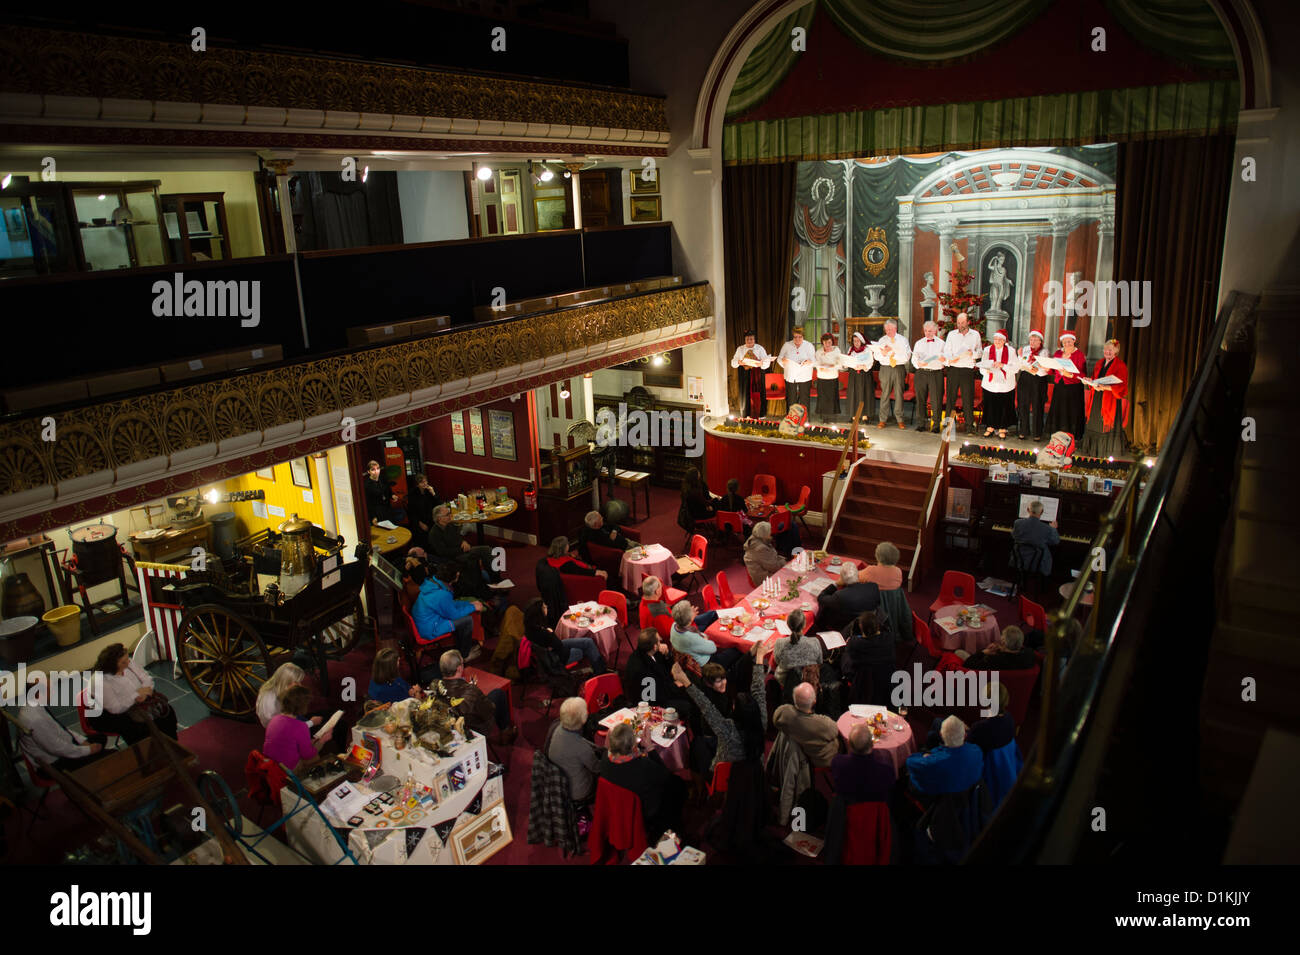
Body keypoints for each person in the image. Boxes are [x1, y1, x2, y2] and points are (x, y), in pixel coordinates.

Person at [599, 721, 687, 839]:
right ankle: (672, 830)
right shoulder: (643, 766)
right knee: (677, 785)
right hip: (642, 809)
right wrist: (650, 747)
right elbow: (666, 777)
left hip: (617, 805)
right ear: (632, 745)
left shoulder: (605, 759)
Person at [14, 672, 107, 773]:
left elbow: (60, 729)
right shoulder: (35, 719)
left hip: (61, 749)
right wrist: (88, 750)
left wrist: (82, 741)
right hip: (54, 763)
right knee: (109, 755)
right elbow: (57, 748)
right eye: (51, 689)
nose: (54, 691)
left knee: (101, 738)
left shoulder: (35, 706)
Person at [88, 643, 178, 744]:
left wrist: (146, 693)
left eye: (127, 659)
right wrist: (136, 695)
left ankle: (172, 745)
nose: (128, 663)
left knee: (166, 713)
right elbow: (115, 708)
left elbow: (146, 678)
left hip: (137, 701)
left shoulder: (128, 663)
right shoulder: (100, 680)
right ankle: (150, 752)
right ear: (112, 664)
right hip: (109, 714)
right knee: (139, 728)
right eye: (123, 662)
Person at [430, 649, 516, 742]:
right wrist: (476, 693)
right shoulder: (471, 691)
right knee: (498, 694)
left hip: (451, 730)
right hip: (474, 730)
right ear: (459, 668)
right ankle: (506, 732)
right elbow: (489, 709)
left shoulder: (435, 686)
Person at [412, 563, 484, 662]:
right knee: (467, 620)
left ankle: (460, 650)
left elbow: (448, 604)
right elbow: (454, 615)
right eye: (457, 575)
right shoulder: (442, 594)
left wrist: (468, 604)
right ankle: (464, 655)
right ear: (451, 578)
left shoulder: (433, 582)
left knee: (463, 619)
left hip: (425, 623)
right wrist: (473, 607)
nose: (458, 576)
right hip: (430, 629)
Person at [427, 505, 496, 599]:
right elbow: (443, 552)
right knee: (483, 552)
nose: (450, 515)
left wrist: (463, 542)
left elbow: (458, 538)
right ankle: (491, 582)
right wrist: (462, 549)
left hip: (462, 551)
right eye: (447, 514)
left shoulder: (450, 525)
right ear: (440, 518)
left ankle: (493, 581)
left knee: (486, 550)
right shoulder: (434, 534)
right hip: (453, 557)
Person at [905, 714, 983, 795]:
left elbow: (909, 762)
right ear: (965, 735)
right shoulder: (977, 750)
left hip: (939, 796)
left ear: (941, 735)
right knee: (932, 733)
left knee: (931, 736)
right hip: (967, 790)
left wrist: (924, 756)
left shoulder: (933, 762)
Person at [523, 597, 606, 673]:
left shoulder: (530, 628)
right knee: (586, 648)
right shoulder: (543, 633)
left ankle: (599, 668)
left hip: (552, 651)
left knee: (588, 641)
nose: (547, 607)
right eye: (544, 607)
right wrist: (551, 633)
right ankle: (600, 671)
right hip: (558, 657)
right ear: (539, 614)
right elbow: (559, 646)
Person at [624, 628, 692, 718]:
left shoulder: (650, 652)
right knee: (688, 704)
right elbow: (656, 696)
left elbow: (668, 669)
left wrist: (667, 654)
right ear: (655, 646)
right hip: (652, 704)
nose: (661, 640)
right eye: (659, 640)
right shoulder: (641, 669)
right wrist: (676, 686)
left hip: (662, 690)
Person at [1080, 338, 1130, 458]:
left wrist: (1106, 388)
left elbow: (1122, 387)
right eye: (1106, 349)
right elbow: (1095, 379)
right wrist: (1089, 381)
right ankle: (1092, 450)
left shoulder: (1120, 365)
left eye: (1110, 350)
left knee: (1105, 423)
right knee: (1094, 422)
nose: (1107, 352)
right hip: (1097, 397)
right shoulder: (1099, 363)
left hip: (1109, 399)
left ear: (1116, 351)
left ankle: (1105, 452)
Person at [263, 685, 332, 772]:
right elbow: (307, 755)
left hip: (272, 765)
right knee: (315, 757)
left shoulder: (274, 719)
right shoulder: (300, 727)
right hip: (287, 769)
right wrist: (323, 740)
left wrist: (312, 742)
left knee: (311, 746)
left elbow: (287, 741)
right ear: (302, 707)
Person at [772, 682, 839, 768]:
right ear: (814, 701)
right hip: (819, 760)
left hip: (799, 757)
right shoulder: (823, 724)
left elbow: (776, 717)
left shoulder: (783, 714)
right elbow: (835, 731)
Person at [547, 697, 599, 803]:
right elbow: (597, 768)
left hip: (559, 785)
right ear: (584, 718)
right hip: (578, 791)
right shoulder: (581, 748)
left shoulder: (556, 727)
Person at [841, 609, 894, 707]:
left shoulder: (855, 643)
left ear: (861, 628)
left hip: (861, 683)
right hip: (885, 683)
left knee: (845, 656)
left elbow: (849, 649)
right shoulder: (889, 640)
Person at [832, 723, 895, 803]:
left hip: (846, 807)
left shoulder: (837, 762)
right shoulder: (887, 771)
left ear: (849, 744)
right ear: (872, 744)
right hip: (876, 810)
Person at [814, 562, 881, 636]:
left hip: (847, 630)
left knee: (825, 610)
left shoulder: (840, 596)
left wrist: (836, 584)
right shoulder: (873, 587)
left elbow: (821, 598)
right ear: (858, 575)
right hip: (869, 625)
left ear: (842, 579)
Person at [670, 599, 739, 670]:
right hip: (708, 664)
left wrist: (691, 619)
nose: (692, 608)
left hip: (688, 651)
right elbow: (713, 648)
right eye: (690, 610)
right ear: (688, 618)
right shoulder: (692, 637)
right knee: (737, 649)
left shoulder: (674, 625)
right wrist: (705, 638)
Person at [1044, 331, 1086, 445]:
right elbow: (1054, 370)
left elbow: (1083, 375)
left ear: (1074, 341)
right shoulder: (1058, 353)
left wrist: (1071, 375)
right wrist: (1048, 368)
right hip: (1060, 386)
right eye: (1064, 341)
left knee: (1071, 411)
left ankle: (1071, 436)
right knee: (1059, 409)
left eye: (1069, 341)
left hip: (1074, 388)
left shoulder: (1079, 355)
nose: (1067, 343)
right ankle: (1058, 435)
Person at [943, 311, 981, 434]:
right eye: (958, 323)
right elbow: (946, 351)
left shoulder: (975, 335)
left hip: (967, 370)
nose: (960, 325)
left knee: (967, 398)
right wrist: (952, 357)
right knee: (950, 398)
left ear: (968, 322)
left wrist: (972, 354)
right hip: (953, 369)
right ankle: (948, 426)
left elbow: (980, 352)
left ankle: (969, 427)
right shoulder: (952, 334)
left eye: (963, 322)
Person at [980, 329, 1017, 439]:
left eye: (1000, 340)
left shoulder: (1011, 351)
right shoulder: (987, 350)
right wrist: (987, 370)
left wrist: (1003, 366)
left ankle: (1002, 428)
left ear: (1004, 341)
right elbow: (982, 365)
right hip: (990, 383)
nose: (997, 341)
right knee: (990, 405)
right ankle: (990, 426)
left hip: (1005, 384)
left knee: (1004, 406)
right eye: (995, 339)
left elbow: (1015, 367)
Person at [875, 319, 912, 429]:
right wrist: (884, 354)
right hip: (885, 368)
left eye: (890, 329)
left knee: (899, 394)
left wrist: (893, 354)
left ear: (895, 328)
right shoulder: (882, 340)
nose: (888, 332)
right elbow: (877, 357)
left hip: (898, 368)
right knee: (884, 394)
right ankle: (882, 419)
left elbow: (906, 357)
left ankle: (900, 419)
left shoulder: (903, 340)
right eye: (886, 330)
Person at [642, 576, 714, 631]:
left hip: (680, 621)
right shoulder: (658, 612)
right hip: (686, 631)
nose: (663, 590)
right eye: (661, 588)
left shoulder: (644, 602)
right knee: (711, 622)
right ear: (657, 591)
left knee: (712, 614)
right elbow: (676, 633)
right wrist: (690, 620)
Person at [771, 609, 822, 686]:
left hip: (784, 681)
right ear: (804, 625)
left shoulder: (779, 643)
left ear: (788, 625)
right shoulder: (815, 642)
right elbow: (819, 662)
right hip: (808, 680)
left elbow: (777, 661)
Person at [911, 320, 945, 432]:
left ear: (935, 330)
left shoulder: (942, 344)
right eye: (925, 331)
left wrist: (942, 359)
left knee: (936, 400)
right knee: (920, 399)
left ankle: (935, 425)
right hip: (921, 373)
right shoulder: (919, 343)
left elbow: (946, 360)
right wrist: (918, 364)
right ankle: (921, 424)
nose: (927, 333)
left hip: (935, 373)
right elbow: (914, 358)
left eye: (930, 331)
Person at [257, 662, 314, 729]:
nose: (300, 685)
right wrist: (310, 723)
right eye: (296, 682)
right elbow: (285, 729)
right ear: (286, 681)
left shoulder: (274, 687)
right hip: (278, 728)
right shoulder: (272, 702)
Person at [1016, 330, 1050, 440]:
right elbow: (1020, 364)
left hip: (1038, 380)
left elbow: (1046, 368)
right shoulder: (1025, 349)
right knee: (1023, 405)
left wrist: (1038, 367)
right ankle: (1023, 430)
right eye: (1031, 339)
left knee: (1037, 405)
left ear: (1040, 341)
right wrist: (1020, 356)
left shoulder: (1044, 352)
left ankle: (1037, 433)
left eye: (1035, 340)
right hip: (1025, 377)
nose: (1032, 342)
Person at [730, 329, 772, 418]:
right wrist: (739, 362)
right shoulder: (740, 349)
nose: (749, 341)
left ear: (754, 339)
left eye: (751, 339)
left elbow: (766, 362)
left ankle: (760, 414)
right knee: (745, 393)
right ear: (745, 340)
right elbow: (733, 362)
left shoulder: (759, 348)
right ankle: (746, 414)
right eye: (747, 339)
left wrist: (762, 363)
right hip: (744, 373)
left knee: (758, 393)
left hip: (757, 373)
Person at [1012, 499, 1059, 577]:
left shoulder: (1017, 523)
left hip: (1019, 560)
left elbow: (1014, 536)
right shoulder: (1047, 528)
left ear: (1027, 510)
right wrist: (1054, 529)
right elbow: (1056, 541)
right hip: (1038, 564)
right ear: (1042, 512)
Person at [960, 626, 1037, 670]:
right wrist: (1001, 648)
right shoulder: (1030, 655)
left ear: (1003, 641)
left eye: (1002, 636)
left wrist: (983, 652)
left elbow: (968, 664)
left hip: (989, 683)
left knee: (959, 652)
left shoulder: (994, 660)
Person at [777, 325, 816, 409]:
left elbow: (814, 360)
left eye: (800, 337)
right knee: (791, 399)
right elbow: (779, 358)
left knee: (804, 399)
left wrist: (810, 362)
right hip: (791, 375)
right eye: (795, 337)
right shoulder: (787, 345)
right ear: (793, 336)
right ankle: (791, 420)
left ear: (803, 336)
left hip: (805, 376)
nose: (797, 339)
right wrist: (782, 361)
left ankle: (805, 420)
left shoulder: (809, 346)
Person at [844, 330, 875, 422]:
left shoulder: (867, 349)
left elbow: (870, 361)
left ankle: (865, 415)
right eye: (854, 341)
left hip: (864, 374)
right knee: (854, 394)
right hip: (854, 375)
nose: (856, 343)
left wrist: (863, 366)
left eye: (858, 340)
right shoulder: (851, 350)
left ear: (861, 340)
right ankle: (854, 415)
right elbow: (847, 360)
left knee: (865, 394)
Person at [363, 459, 406, 526]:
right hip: (377, 512)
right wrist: (373, 517)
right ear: (369, 472)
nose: (376, 471)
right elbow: (368, 503)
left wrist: (392, 495)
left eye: (377, 468)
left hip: (387, 508)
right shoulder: (367, 485)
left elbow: (388, 490)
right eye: (373, 469)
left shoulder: (382, 479)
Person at [813, 332, 843, 423]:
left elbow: (840, 365)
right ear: (822, 343)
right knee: (823, 399)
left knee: (832, 398)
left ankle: (832, 418)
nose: (827, 345)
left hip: (833, 377)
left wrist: (831, 367)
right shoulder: (819, 352)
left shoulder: (837, 350)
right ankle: (824, 418)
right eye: (825, 343)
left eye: (829, 342)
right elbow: (816, 363)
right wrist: (821, 367)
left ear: (832, 342)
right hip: (822, 378)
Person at [743, 520, 784, 586]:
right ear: (764, 534)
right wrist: (783, 561)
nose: (771, 533)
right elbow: (774, 567)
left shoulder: (754, 538)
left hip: (764, 572)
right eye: (770, 532)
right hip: (765, 579)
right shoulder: (760, 548)